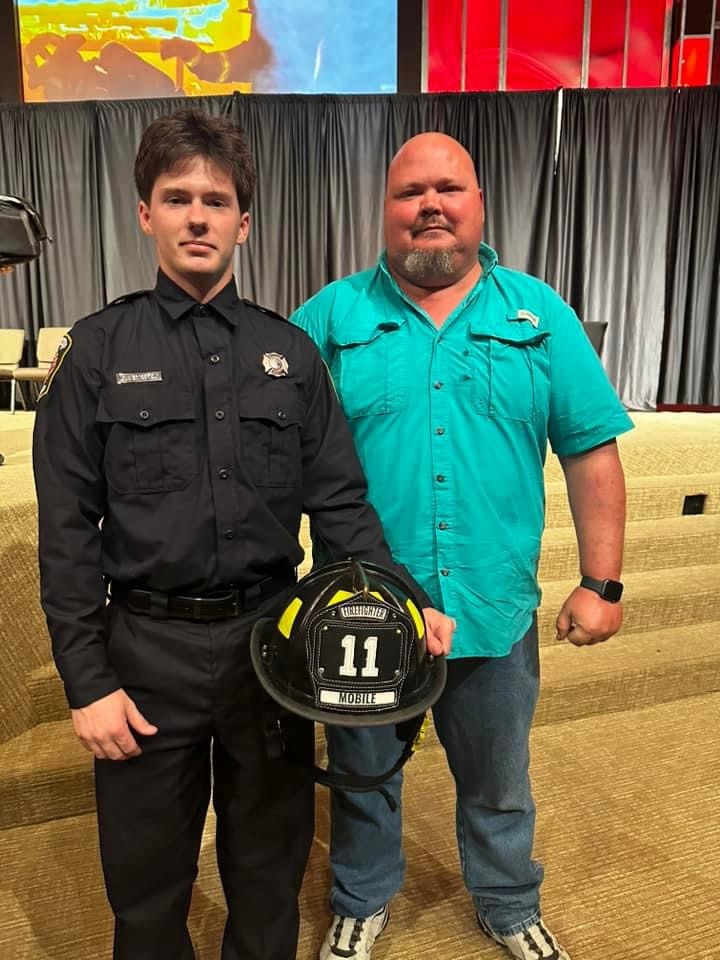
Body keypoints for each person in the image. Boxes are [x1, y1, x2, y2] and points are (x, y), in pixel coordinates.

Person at [33, 110, 454, 960]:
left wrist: (406, 606)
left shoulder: (291, 356)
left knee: (268, 874)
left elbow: (342, 506)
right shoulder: (97, 352)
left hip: (272, 648)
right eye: (177, 198)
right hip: (144, 655)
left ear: (244, 223)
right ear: (145, 213)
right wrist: (86, 682)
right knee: (145, 886)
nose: (198, 216)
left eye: (216, 201)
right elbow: (67, 531)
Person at [290, 132, 633, 960]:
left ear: (479, 204)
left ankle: (508, 902)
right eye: (411, 193)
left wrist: (604, 583)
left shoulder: (537, 314)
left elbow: (589, 447)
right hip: (364, 611)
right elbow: (268, 455)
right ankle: (362, 896)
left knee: (499, 780)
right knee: (364, 775)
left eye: (449, 189)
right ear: (386, 211)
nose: (430, 205)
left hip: (493, 606)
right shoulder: (330, 318)